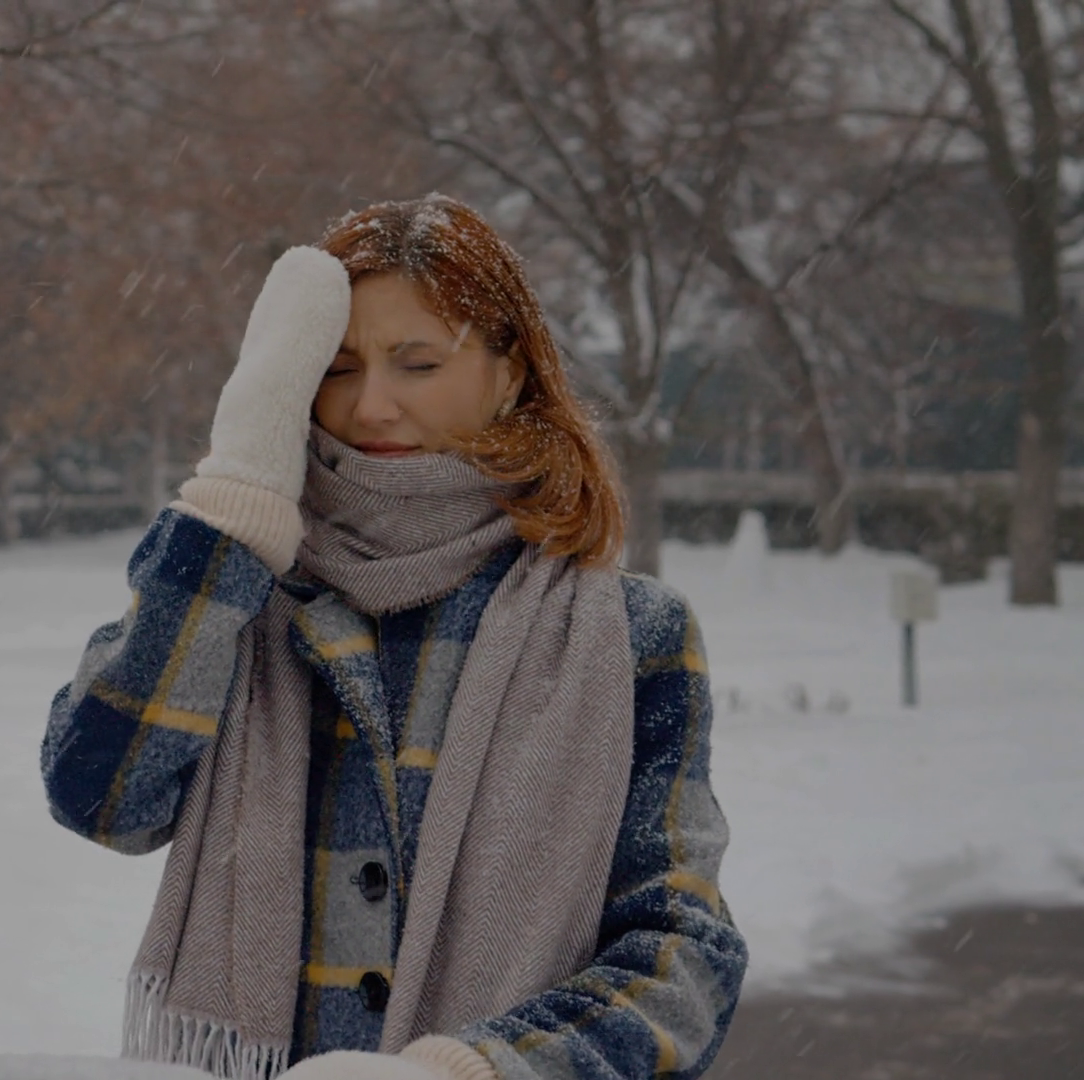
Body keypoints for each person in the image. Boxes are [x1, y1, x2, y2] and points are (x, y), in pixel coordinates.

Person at [41, 195, 746, 1080]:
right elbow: (100, 795)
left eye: (417, 363)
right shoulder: (237, 593)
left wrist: (475, 1071)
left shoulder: (631, 636)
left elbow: (681, 957)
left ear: (509, 373)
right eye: (336, 369)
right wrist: (231, 512)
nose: (371, 405)